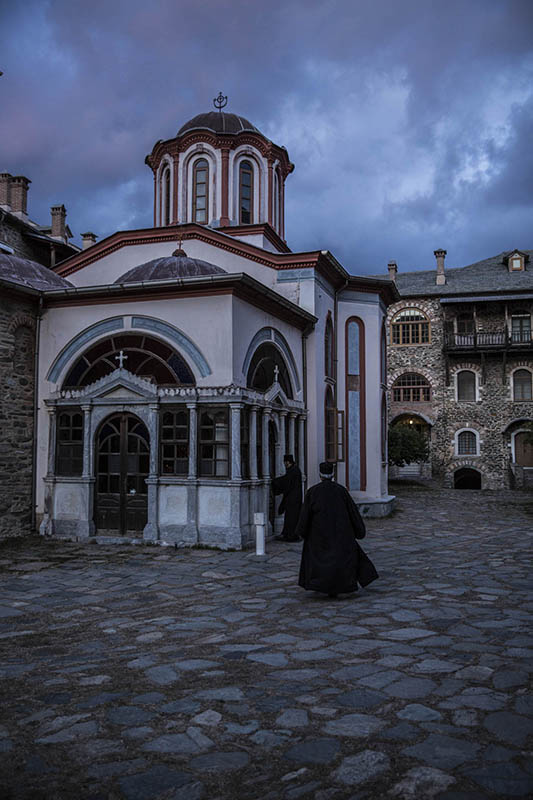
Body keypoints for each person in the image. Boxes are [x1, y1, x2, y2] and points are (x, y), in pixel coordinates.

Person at [295, 461, 378, 597]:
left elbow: (305, 516)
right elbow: (353, 513)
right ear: (333, 475)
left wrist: (301, 531)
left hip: (319, 536)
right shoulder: (341, 491)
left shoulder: (313, 492)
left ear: (320, 475)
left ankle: (320, 584)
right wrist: (359, 530)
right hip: (340, 534)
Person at [271, 454, 303, 542]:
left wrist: (275, 482)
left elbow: (286, 482)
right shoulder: (295, 470)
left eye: (285, 462)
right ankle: (289, 534)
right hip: (294, 498)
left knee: (291, 518)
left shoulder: (293, 471)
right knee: (291, 517)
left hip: (293, 499)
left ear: (288, 462)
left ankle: (290, 535)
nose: (284, 464)